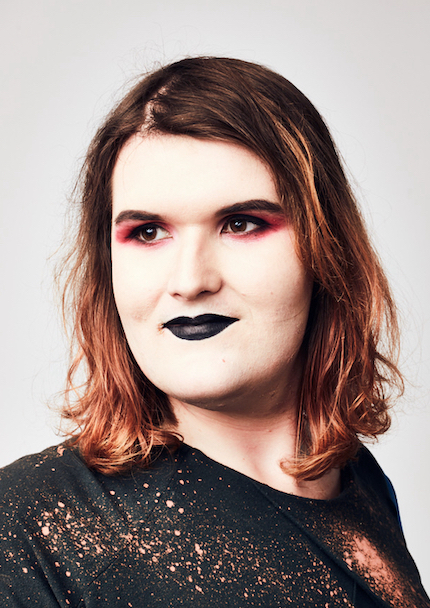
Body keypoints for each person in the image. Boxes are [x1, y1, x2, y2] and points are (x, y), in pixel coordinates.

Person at [0, 56, 428, 608]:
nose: (190, 281)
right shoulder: (28, 529)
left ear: (325, 250)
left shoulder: (359, 483)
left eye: (242, 223)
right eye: (148, 232)